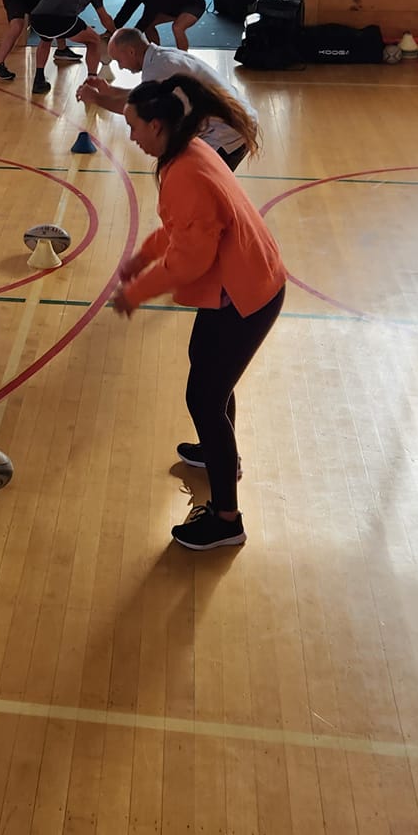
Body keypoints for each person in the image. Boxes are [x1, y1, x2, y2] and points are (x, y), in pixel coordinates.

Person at [110, 75, 286, 552]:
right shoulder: (187, 152)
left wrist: (137, 291)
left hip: (247, 294)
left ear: (157, 125)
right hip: (246, 284)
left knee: (205, 397)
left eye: (133, 125)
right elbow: (180, 229)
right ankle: (219, 454)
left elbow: (190, 261)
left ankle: (227, 520)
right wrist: (143, 258)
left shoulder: (186, 171)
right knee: (208, 378)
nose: (130, 135)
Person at [78, 27, 259, 170]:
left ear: (131, 51)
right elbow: (143, 96)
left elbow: (137, 109)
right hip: (238, 120)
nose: (121, 67)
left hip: (227, 132)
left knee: (196, 188)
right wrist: (109, 90)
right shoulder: (160, 56)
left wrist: (95, 98)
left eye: (119, 60)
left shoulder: (160, 67)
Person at [27, 0, 117, 95]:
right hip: (62, 21)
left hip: (36, 19)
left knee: (45, 39)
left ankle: (38, 81)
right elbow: (105, 19)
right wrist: (115, 33)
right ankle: (91, 82)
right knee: (94, 40)